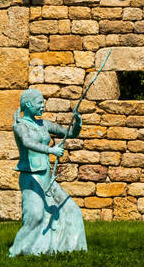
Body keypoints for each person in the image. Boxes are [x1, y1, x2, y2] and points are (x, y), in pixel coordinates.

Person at [8, 89, 87, 257]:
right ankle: (17, 251)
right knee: (35, 217)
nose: (43, 105)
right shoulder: (20, 127)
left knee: (71, 209)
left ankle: (64, 247)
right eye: (39, 103)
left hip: (47, 177)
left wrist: (78, 123)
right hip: (31, 177)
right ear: (28, 105)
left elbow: (70, 133)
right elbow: (27, 143)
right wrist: (50, 150)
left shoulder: (44, 124)